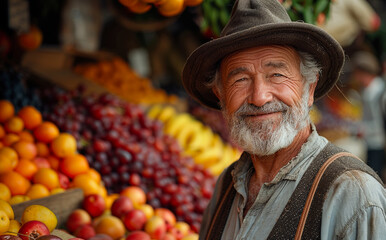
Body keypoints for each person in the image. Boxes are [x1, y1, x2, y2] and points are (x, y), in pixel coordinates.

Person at [181, 0, 386, 239]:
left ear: (309, 89)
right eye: (240, 79)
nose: (259, 97)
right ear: (221, 95)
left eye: (277, 75)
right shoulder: (225, 187)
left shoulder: (353, 193)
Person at [351, 50, 386, 180]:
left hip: (378, 143)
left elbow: (378, 123)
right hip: (370, 142)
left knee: (376, 178)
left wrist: (363, 130)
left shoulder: (378, 92)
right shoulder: (368, 91)